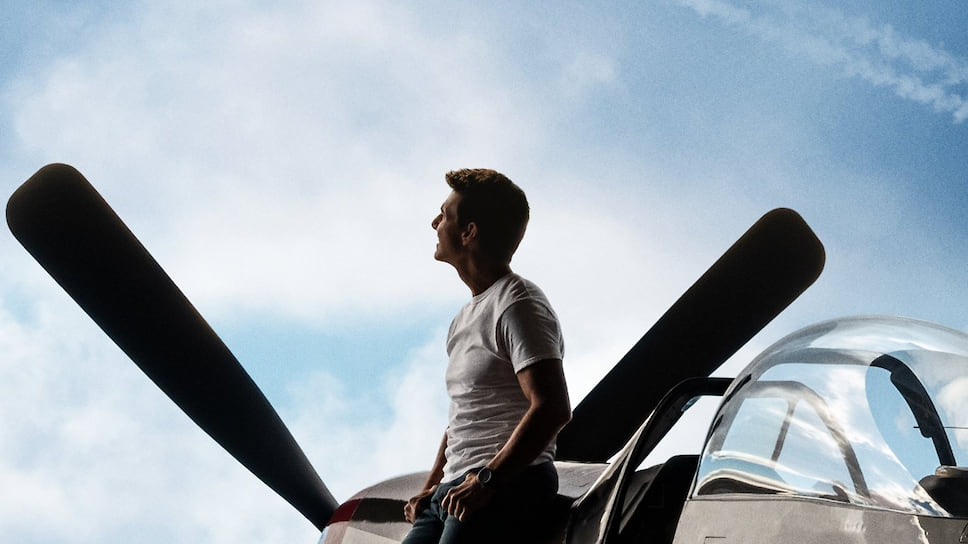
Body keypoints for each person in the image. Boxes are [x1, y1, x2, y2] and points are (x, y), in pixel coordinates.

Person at [401, 169, 572, 544]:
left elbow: (552, 407)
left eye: (444, 215)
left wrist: (488, 479)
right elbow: (464, 415)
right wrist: (433, 486)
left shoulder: (519, 304)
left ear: (469, 232)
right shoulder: (464, 318)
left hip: (505, 485)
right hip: (456, 490)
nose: (434, 223)